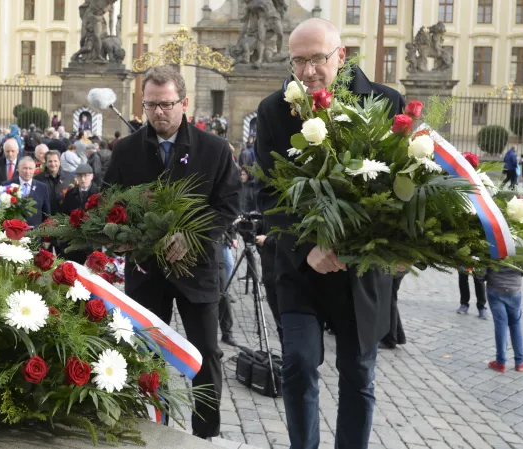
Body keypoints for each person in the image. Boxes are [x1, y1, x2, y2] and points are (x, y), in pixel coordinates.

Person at [254, 19, 405, 449]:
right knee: (299, 363)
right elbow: (269, 195)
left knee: (358, 373)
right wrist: (310, 248)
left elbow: (398, 190)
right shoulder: (273, 110)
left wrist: (366, 245)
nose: (306, 71)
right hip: (300, 267)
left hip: (360, 272)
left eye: (317, 59)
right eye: (297, 60)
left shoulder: (385, 101)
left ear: (341, 55)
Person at [103, 65, 240, 441]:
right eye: (150, 105)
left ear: (184, 103)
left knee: (206, 355)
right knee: (145, 354)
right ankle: (149, 428)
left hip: (196, 271)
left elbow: (228, 205)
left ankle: (205, 435)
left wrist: (192, 235)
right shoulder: (127, 150)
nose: (158, 113)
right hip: (146, 273)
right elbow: (106, 202)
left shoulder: (213, 149)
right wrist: (119, 234)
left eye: (165, 104)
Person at [486, 263, 523, 373]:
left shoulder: (490, 246)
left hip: (495, 287)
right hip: (514, 288)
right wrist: (519, 273)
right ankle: (520, 362)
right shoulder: (517, 245)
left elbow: (481, 269)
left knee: (500, 324)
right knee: (515, 323)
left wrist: (485, 276)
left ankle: (500, 362)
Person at [2, 157, 50, 228]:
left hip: (35, 233)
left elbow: (46, 212)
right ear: (18, 169)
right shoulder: (7, 185)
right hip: (14, 231)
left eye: (30, 168)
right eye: (24, 168)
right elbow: (1, 210)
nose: (27, 171)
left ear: (34, 170)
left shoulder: (42, 187)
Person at [34, 150, 75, 216]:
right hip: (45, 218)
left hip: (65, 219)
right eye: (50, 161)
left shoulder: (69, 177)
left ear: (59, 162)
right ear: (46, 163)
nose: (53, 164)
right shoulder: (38, 179)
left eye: (55, 161)